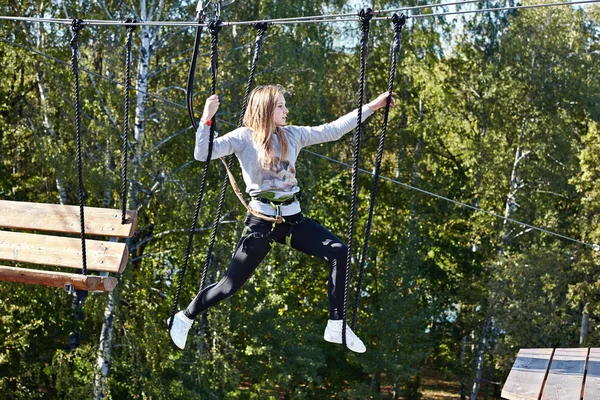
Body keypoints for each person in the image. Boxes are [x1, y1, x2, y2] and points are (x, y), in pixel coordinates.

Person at [169, 85, 395, 353]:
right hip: (261, 224)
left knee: (339, 252)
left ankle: (336, 325)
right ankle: (184, 317)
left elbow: (334, 129)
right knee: (229, 285)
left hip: (293, 220)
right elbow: (202, 154)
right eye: (280, 106)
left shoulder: (292, 135)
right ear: (265, 108)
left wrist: (372, 106)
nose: (286, 110)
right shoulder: (243, 138)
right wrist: (207, 118)